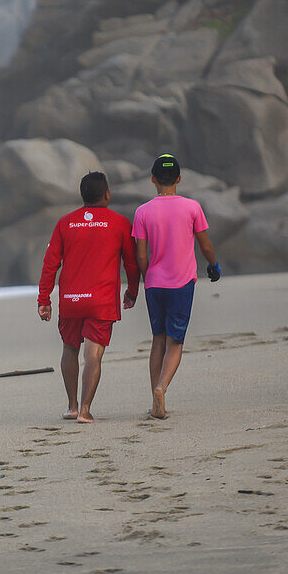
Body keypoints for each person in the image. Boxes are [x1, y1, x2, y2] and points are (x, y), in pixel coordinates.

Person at [38, 172, 139, 423]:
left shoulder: (65, 223)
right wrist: (133, 292)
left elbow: (50, 264)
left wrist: (44, 299)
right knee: (92, 355)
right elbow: (131, 264)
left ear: (82, 196)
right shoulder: (119, 223)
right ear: (107, 194)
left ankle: (71, 406)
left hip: (71, 298)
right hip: (101, 300)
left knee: (69, 349)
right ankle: (85, 410)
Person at [132, 154, 220, 420]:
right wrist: (213, 265)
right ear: (179, 179)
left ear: (153, 180)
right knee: (175, 342)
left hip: (155, 284)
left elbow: (141, 256)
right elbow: (204, 245)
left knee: (158, 339)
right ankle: (162, 387)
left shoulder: (142, 211)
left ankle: (155, 399)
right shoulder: (192, 207)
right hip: (182, 284)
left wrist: (149, 277)